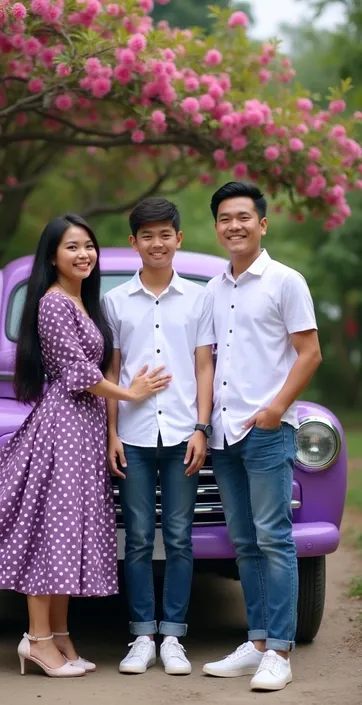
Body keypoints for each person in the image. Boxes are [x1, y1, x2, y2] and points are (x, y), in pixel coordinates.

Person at [0, 213, 171, 679]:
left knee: (68, 533)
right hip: (63, 426)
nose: (84, 254)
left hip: (82, 428)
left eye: (88, 245)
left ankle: (60, 637)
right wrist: (131, 395)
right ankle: (38, 640)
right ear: (52, 256)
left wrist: (110, 428)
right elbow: (78, 374)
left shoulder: (84, 301)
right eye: (72, 247)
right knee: (51, 533)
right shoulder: (53, 304)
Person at [201, 182, 322, 692]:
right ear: (217, 226)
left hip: (267, 432)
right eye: (225, 218)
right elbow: (205, 360)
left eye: (244, 217)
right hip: (224, 434)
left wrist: (275, 411)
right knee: (245, 542)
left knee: (274, 540)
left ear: (262, 224)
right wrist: (204, 425)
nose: (235, 225)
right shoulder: (213, 288)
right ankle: (255, 644)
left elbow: (310, 352)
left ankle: (280, 651)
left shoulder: (285, 281)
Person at [103, 198, 215, 676]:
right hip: (133, 435)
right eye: (146, 235)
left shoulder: (200, 298)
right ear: (134, 243)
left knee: (180, 537)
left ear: (179, 238)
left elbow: (204, 365)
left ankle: (173, 636)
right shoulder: (114, 301)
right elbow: (109, 370)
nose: (156, 243)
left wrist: (201, 428)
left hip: (182, 435)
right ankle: (142, 635)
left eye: (165, 234)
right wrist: (111, 433)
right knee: (138, 538)